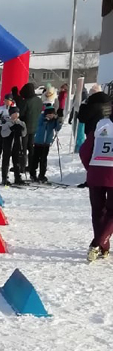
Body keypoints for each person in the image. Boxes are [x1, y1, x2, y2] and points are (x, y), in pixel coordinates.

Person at [79, 96, 113, 261]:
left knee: (97, 212)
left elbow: (85, 150)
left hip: (96, 172)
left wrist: (90, 168)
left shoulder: (101, 125)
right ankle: (97, 243)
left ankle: (103, 247)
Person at [33, 87, 60, 183]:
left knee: (43, 160)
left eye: (51, 115)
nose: (50, 116)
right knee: (35, 158)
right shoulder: (41, 117)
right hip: (38, 142)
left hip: (46, 142)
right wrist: (45, 121)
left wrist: (58, 121)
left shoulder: (53, 121)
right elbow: (39, 126)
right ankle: (33, 173)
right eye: (48, 114)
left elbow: (57, 128)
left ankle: (42, 175)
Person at [17, 81, 42, 181]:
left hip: (25, 128)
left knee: (22, 148)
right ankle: (32, 169)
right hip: (35, 127)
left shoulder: (26, 102)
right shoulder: (39, 100)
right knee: (31, 150)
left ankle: (21, 167)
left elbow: (21, 114)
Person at [0, 106, 26, 186]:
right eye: (14, 113)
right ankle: (5, 178)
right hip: (8, 144)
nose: (15, 115)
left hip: (17, 145)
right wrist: (11, 129)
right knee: (6, 161)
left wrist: (21, 130)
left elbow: (24, 133)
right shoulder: (7, 123)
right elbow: (3, 134)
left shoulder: (21, 123)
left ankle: (17, 177)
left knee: (17, 161)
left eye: (17, 113)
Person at [0, 95, 15, 172]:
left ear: (11, 101)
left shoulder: (14, 108)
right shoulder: (1, 109)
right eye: (5, 100)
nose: (6, 102)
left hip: (10, 129)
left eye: (8, 100)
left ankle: (8, 163)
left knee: (9, 146)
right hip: (2, 128)